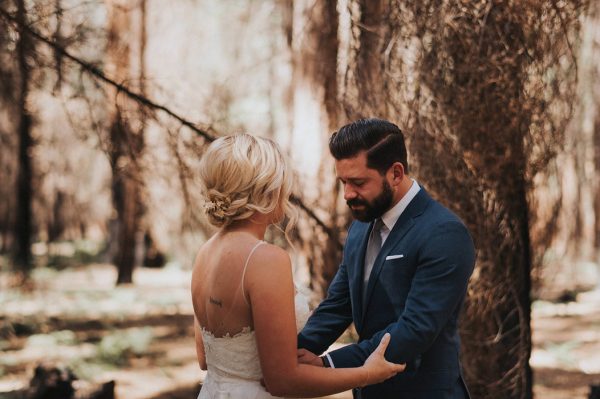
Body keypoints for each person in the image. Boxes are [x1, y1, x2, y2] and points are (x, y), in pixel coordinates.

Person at [191, 133, 405, 399]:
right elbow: (284, 382)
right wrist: (368, 374)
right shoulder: (265, 259)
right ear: (265, 188)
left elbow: (204, 358)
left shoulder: (205, 253)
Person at [297, 118, 476, 399]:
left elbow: (415, 330)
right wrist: (296, 352)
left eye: (357, 182)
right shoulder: (360, 227)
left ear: (395, 173)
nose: (347, 194)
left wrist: (327, 364)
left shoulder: (444, 233)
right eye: (343, 182)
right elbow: (339, 303)